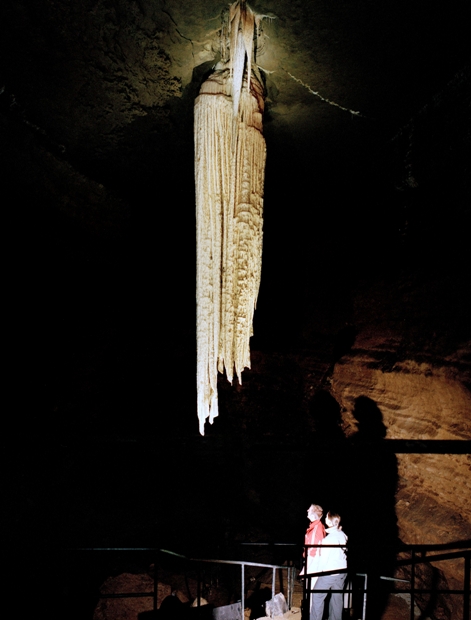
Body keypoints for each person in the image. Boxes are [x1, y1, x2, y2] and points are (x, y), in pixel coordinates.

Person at [310, 511, 348, 620]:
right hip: (342, 572)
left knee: (317, 595)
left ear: (330, 521)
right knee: (337, 598)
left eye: (326, 517)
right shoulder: (342, 535)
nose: (325, 518)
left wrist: (317, 572)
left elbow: (323, 561)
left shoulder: (328, 539)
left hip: (330, 573)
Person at [300, 504, 326, 577]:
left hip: (313, 560)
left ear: (313, 513)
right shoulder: (315, 526)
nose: (307, 510)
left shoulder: (317, 527)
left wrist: (306, 567)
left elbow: (314, 548)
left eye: (309, 509)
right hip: (313, 559)